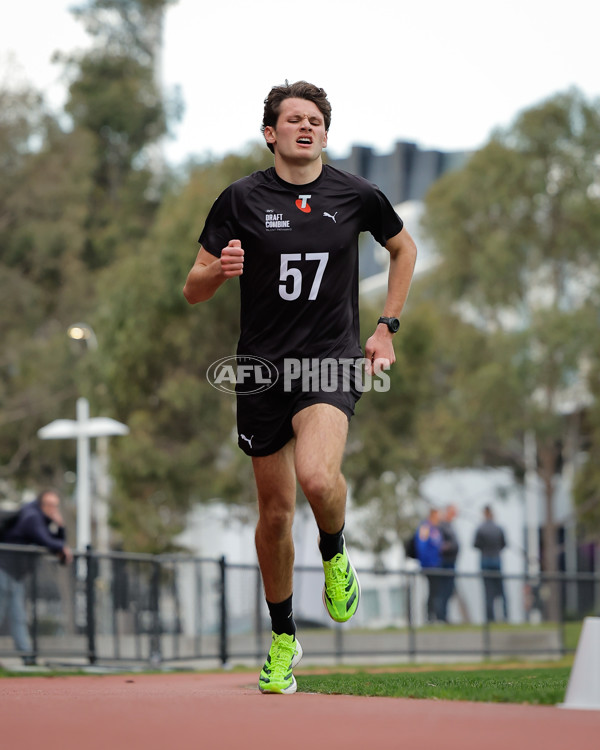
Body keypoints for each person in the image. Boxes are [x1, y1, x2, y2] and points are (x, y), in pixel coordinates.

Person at [183, 80, 417, 694]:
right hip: (262, 371)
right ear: (271, 133)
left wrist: (386, 326)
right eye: (293, 119)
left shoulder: (356, 194)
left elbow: (404, 248)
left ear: (324, 132)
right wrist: (218, 269)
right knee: (275, 513)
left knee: (317, 478)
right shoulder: (239, 199)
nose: (305, 127)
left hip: (329, 361)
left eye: (314, 119)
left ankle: (336, 553)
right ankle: (283, 637)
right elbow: (192, 286)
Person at [0, 490, 73, 664]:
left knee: (18, 616)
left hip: (15, 574)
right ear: (41, 504)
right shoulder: (32, 516)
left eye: (55, 505)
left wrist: (60, 527)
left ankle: (27, 656)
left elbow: (53, 540)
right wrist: (61, 545)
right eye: (49, 505)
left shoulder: (38, 519)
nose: (52, 509)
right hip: (3, 570)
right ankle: (26, 655)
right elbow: (45, 540)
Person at [473, 505, 508, 622]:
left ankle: (490, 618)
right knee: (501, 591)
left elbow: (475, 544)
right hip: (496, 561)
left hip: (486, 561)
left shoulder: (481, 529)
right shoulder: (499, 529)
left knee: (488, 592)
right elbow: (504, 544)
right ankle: (505, 616)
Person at [415, 508, 443, 623]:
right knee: (431, 592)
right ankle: (430, 616)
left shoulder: (435, 529)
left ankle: (434, 615)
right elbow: (421, 546)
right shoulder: (425, 527)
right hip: (428, 566)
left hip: (436, 565)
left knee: (435, 592)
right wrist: (425, 562)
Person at [438, 504, 459, 622]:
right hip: (445, 563)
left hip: (451, 562)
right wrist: (450, 547)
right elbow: (440, 545)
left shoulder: (450, 526)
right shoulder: (442, 526)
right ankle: (441, 616)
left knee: (449, 591)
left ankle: (445, 615)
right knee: (443, 591)